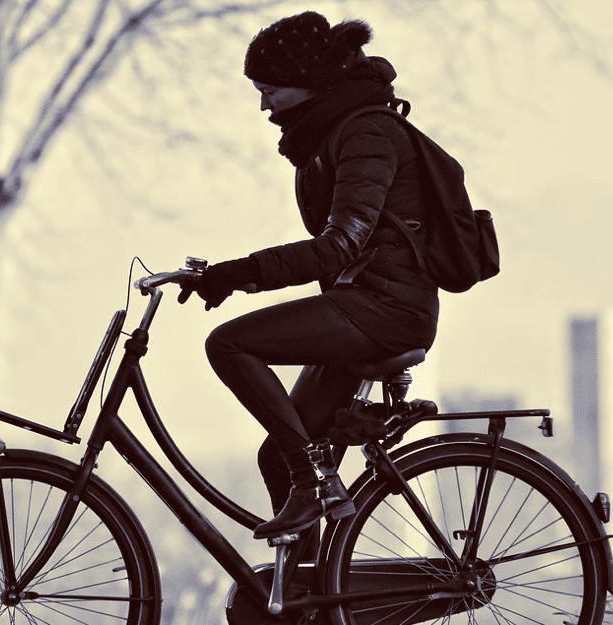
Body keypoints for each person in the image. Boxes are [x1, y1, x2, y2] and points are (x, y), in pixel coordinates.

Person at [178, 11, 439, 541]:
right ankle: (308, 598)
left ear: (306, 83)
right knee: (279, 455)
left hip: (385, 310)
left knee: (228, 345)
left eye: (269, 88)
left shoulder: (368, 132)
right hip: (362, 305)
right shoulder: (335, 132)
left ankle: (316, 482)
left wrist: (242, 274)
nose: (262, 104)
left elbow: (340, 244)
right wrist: (235, 275)